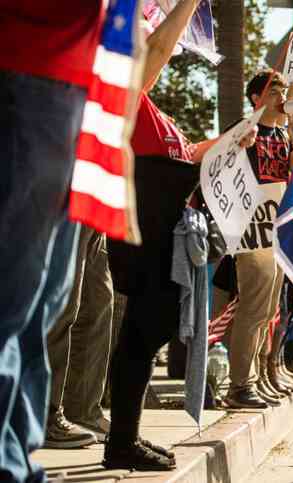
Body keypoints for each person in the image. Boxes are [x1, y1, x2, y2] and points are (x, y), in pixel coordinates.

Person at [104, 0, 256, 471]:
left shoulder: (152, 110)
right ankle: (120, 442)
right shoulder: (123, 90)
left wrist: (231, 140)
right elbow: (159, 48)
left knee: (149, 330)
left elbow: (186, 155)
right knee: (143, 331)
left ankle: (124, 437)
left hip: (165, 239)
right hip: (145, 235)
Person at [0, 3, 107, 481]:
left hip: (71, 85)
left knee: (42, 301)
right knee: (13, 296)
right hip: (29, 71)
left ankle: (16, 458)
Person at [223, 69, 293, 410]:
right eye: (275, 91)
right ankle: (240, 385)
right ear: (257, 98)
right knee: (254, 307)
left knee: (268, 309)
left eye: (284, 91)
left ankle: (254, 378)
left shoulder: (283, 135)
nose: (282, 97)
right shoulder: (245, 130)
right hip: (252, 229)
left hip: (275, 229)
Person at [45, 227, 114, 449]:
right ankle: (45, 416)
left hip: (95, 199)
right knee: (64, 305)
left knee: (98, 302)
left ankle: (83, 411)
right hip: (67, 201)